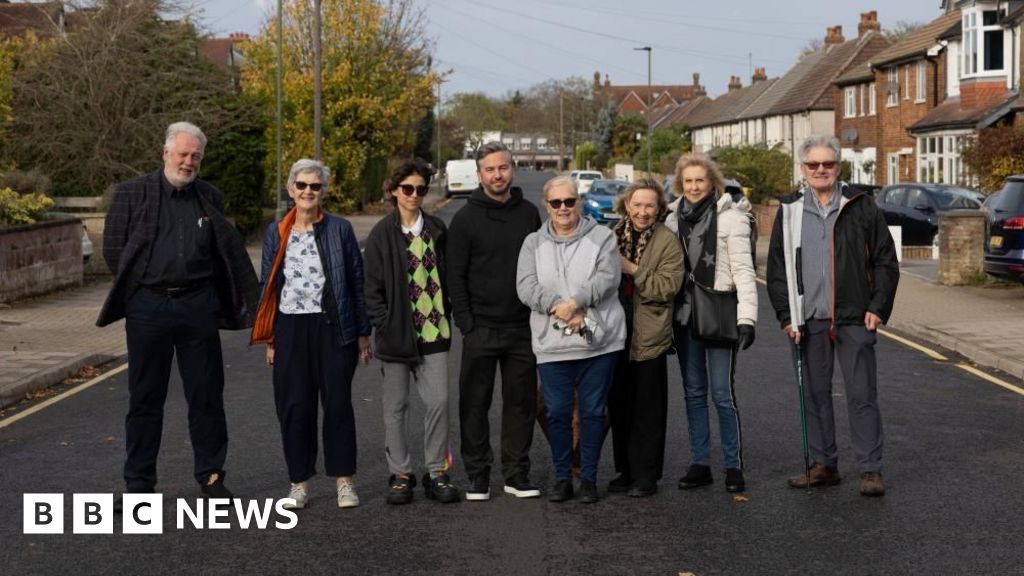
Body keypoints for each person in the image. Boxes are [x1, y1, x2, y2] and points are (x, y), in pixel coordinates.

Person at [98, 121, 259, 509]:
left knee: (205, 396)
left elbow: (223, 254)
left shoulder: (210, 197)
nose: (188, 162)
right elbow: (113, 250)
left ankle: (211, 477)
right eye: (183, 154)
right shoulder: (132, 193)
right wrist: (138, 293)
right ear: (166, 153)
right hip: (148, 308)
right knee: (145, 398)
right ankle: (138, 485)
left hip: (197, 306)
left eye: (195, 157)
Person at [766, 134, 899, 497]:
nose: (820, 170)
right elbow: (778, 268)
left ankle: (870, 470)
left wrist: (878, 307)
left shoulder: (862, 206)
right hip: (808, 320)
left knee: (861, 394)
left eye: (827, 164)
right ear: (803, 169)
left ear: (838, 167)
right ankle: (824, 464)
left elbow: (886, 260)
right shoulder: (790, 210)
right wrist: (785, 315)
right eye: (813, 165)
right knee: (814, 394)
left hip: (855, 317)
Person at [250, 159, 372, 509]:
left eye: (315, 187)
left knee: (337, 404)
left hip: (332, 325)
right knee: (294, 406)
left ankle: (344, 482)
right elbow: (269, 286)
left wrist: (363, 332)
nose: (307, 192)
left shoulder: (340, 229)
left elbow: (356, 281)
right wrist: (271, 337)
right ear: (290, 189)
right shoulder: (277, 231)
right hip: (290, 327)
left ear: (323, 192)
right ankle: (299, 483)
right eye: (301, 185)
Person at [516, 175, 626, 504]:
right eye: (556, 203)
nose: (564, 208)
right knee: (557, 412)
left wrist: (575, 303)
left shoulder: (603, 237)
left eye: (570, 201)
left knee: (593, 412)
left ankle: (589, 478)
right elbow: (526, 285)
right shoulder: (532, 244)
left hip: (599, 342)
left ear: (579, 202)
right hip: (553, 345)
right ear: (546, 206)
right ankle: (563, 477)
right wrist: (558, 308)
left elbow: (608, 277)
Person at [447, 141, 542, 501]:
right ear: (479, 174)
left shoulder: (529, 213)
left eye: (502, 168)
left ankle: (516, 475)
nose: (497, 175)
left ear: (512, 170)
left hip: (522, 327)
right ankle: (478, 476)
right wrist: (467, 323)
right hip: (480, 328)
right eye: (490, 169)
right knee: (474, 404)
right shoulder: (465, 219)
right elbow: (455, 275)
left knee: (520, 404)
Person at [363, 159, 460, 505]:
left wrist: (449, 311)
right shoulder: (381, 235)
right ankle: (401, 474)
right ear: (394, 191)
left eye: (420, 189)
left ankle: (437, 471)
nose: (414, 195)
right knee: (396, 407)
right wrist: (384, 321)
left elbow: (449, 277)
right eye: (407, 189)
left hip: (434, 331)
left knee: (438, 402)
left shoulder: (437, 230)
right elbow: (370, 287)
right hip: (396, 335)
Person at [667, 153, 758, 494]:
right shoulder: (671, 219)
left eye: (699, 181)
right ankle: (700, 462)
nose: (693, 187)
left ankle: (733, 464)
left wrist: (747, 317)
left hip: (720, 312)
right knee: (693, 393)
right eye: (687, 181)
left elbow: (744, 272)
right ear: (680, 184)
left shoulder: (732, 218)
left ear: (712, 183)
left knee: (721, 393)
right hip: (685, 316)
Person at [607, 178, 684, 497]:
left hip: (649, 335)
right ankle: (625, 470)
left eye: (650, 205)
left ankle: (646, 476)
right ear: (626, 205)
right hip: (614, 334)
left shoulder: (667, 241)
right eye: (637, 205)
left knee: (648, 410)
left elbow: (668, 287)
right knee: (619, 405)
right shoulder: (610, 236)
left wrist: (631, 269)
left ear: (659, 208)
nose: (642, 211)